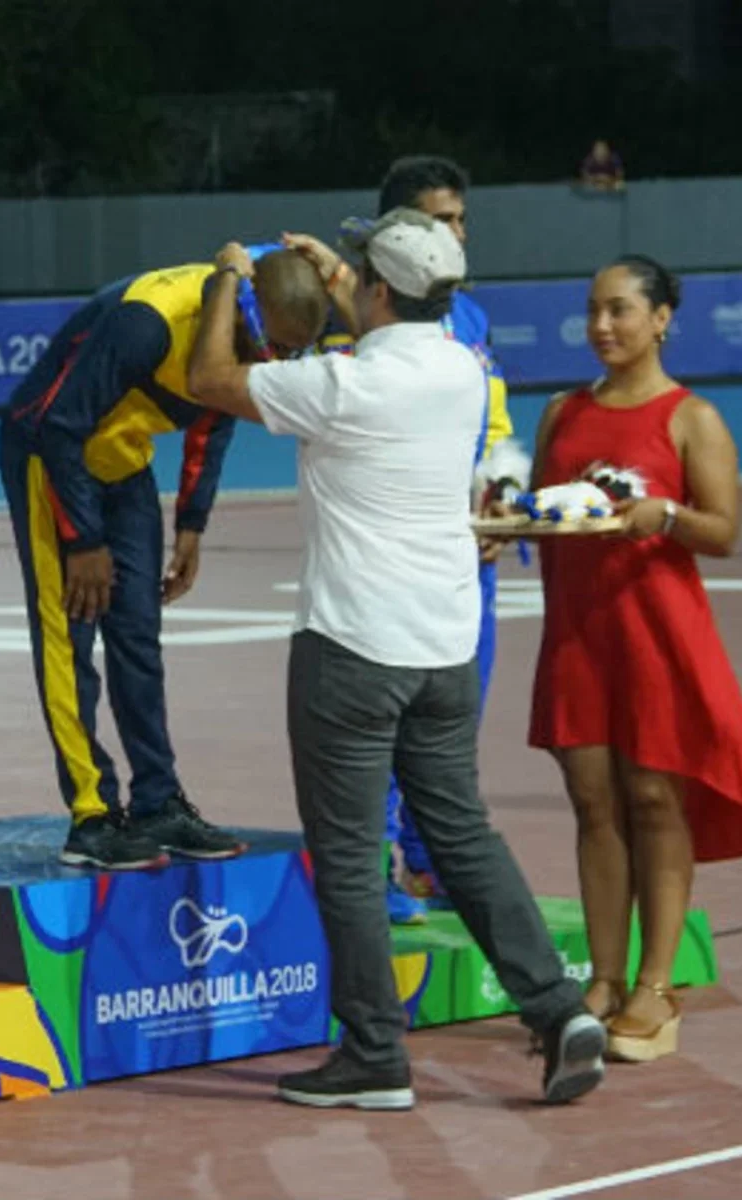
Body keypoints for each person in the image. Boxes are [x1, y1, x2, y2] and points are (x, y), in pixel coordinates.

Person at [185, 211, 606, 1110]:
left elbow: (210, 378)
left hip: (351, 646)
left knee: (346, 855)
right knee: (462, 833)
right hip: (444, 644)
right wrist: (348, 280)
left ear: (378, 289)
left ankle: (375, 1054)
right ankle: (557, 1008)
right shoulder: (460, 366)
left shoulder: (338, 384)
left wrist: (228, 277)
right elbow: (393, 323)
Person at [523, 254, 742, 1060]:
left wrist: (666, 515)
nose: (601, 325)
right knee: (592, 802)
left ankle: (654, 986)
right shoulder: (562, 412)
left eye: (619, 310)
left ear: (661, 319)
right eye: (593, 310)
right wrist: (504, 524)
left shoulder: (692, 418)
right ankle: (604, 981)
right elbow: (543, 512)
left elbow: (724, 531)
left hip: (658, 638)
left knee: (653, 799)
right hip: (579, 636)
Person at [0, 251, 327, 870]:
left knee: (138, 636)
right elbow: (60, 424)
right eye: (275, 348)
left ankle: (157, 803)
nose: (277, 365)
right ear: (247, 314)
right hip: (48, 455)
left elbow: (215, 418)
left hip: (122, 461)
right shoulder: (148, 323)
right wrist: (83, 541)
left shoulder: (241, 334)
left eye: (293, 354)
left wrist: (192, 525)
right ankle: (92, 817)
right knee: (68, 638)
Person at [283, 154, 512, 926]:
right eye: (441, 221)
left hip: (465, 549)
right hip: (387, 558)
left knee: (455, 721)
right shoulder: (352, 314)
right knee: (381, 725)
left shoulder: (470, 318)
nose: (458, 234)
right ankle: (377, 866)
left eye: (462, 220)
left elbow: (495, 423)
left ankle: (432, 858)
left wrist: (497, 499)